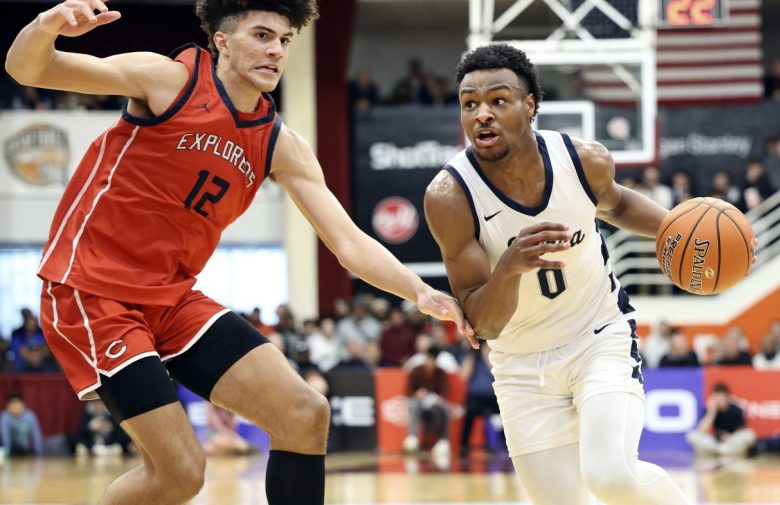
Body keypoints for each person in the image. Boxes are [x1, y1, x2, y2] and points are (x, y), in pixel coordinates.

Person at [6, 1, 473, 504]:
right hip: (93, 291)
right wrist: (45, 27)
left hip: (172, 299)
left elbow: (349, 242)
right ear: (223, 42)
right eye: (262, 35)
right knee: (180, 474)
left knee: (304, 414)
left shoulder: (279, 142)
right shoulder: (168, 80)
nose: (275, 49)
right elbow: (29, 68)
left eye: (285, 40)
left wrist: (421, 291)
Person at [424, 44, 692, 505]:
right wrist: (509, 267)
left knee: (610, 476)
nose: (482, 114)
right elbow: (482, 324)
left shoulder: (583, 160)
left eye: (498, 100)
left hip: (597, 337)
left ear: (530, 106)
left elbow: (620, 204)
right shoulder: (449, 197)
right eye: (470, 104)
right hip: (520, 365)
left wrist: (681, 230)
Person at [403, 345, 451, 456]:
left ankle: (443, 441)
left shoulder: (441, 373)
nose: (431, 363)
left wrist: (439, 398)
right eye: (429, 359)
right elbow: (408, 391)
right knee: (413, 404)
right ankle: (412, 439)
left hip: (434, 404)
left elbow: (444, 393)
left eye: (434, 360)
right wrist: (417, 393)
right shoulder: (416, 371)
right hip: (419, 402)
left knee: (445, 408)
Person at [686, 383, 756, 457]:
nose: (719, 400)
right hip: (715, 443)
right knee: (692, 435)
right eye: (716, 397)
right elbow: (701, 430)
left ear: (727, 397)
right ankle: (719, 452)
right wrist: (712, 413)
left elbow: (741, 430)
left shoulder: (736, 410)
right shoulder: (710, 410)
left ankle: (723, 452)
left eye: (721, 396)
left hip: (732, 441)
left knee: (749, 434)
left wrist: (729, 437)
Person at [1, 393, 44, 457]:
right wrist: (6, 456)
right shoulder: (5, 417)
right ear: (8, 406)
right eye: (12, 405)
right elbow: (5, 438)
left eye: (17, 404)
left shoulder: (30, 417)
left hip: (24, 449)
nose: (15, 407)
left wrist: (40, 455)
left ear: (23, 405)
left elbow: (37, 437)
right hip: (8, 449)